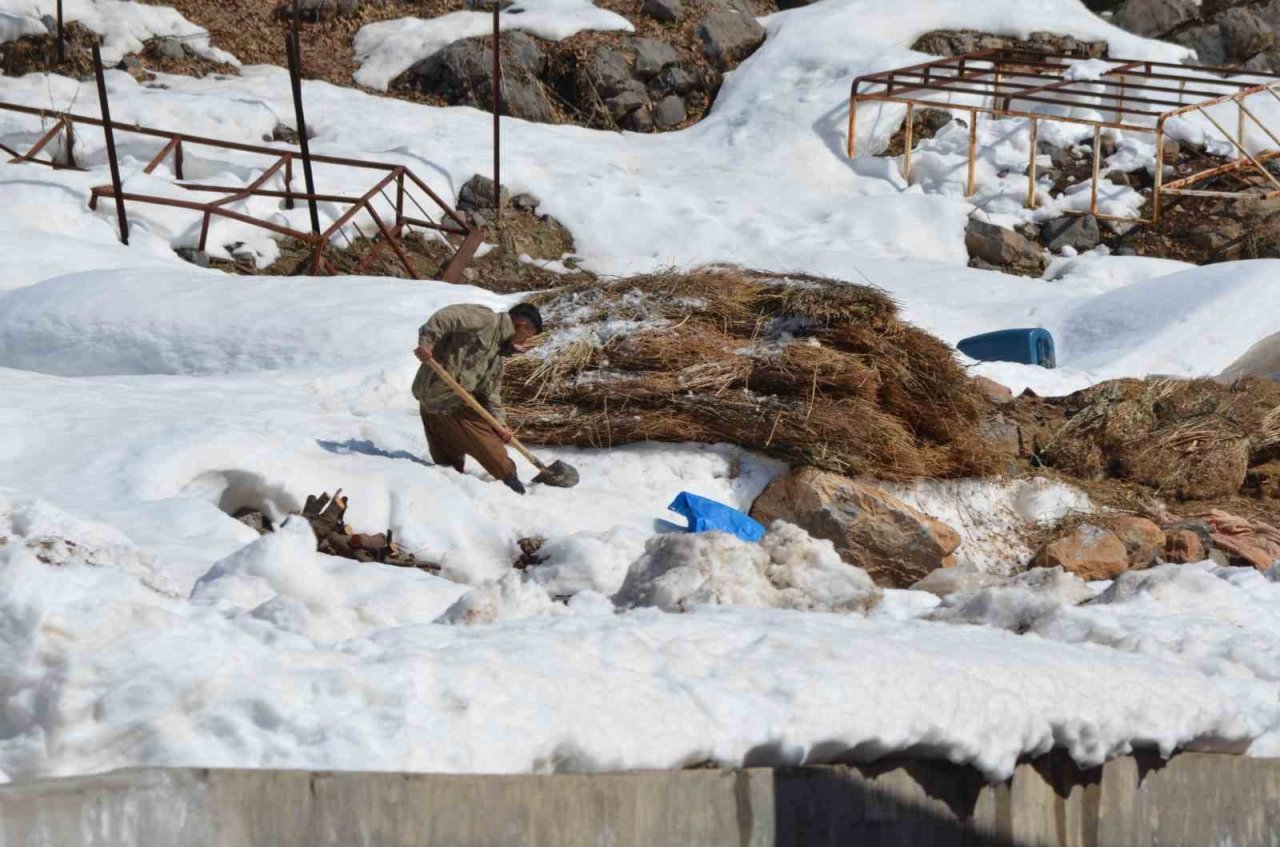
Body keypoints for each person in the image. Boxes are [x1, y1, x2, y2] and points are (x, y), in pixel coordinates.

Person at [412, 302, 543, 494]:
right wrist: (427, 343)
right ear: (521, 325)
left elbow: (491, 394)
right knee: (448, 464)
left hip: (453, 404)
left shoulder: (497, 357)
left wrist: (501, 424)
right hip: (432, 399)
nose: (523, 343)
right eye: (526, 336)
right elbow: (447, 316)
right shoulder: (485, 319)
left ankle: (511, 487)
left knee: (481, 463)